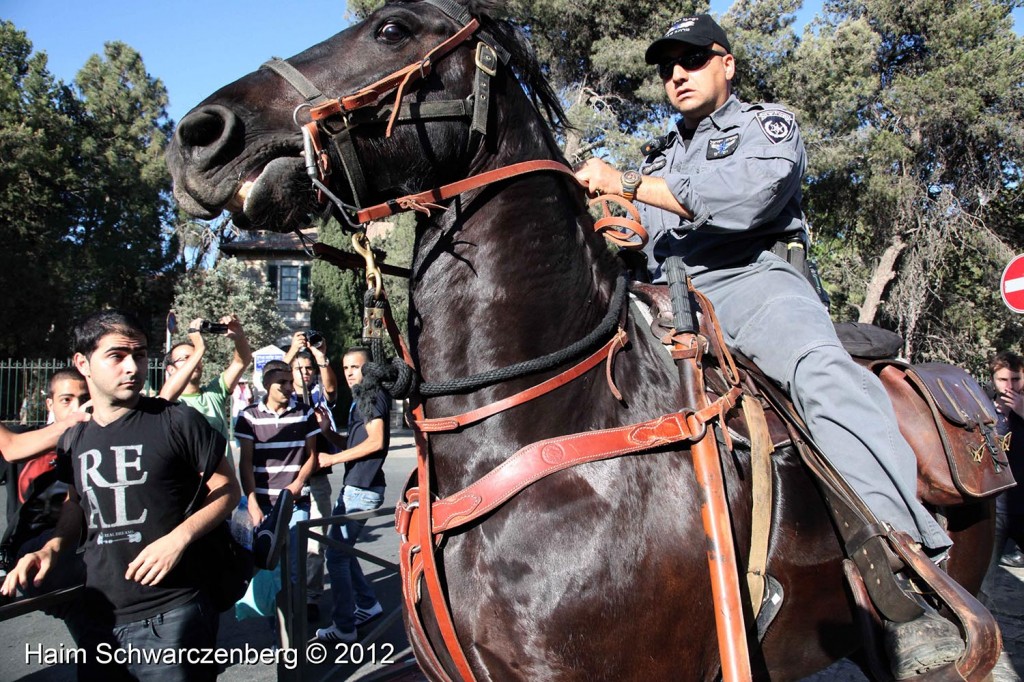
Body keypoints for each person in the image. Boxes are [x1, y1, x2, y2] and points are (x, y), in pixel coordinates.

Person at [574, 14, 962, 678]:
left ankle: (911, 571)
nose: (677, 74)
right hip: (665, 296)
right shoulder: (662, 157)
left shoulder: (766, 127)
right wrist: (623, 227)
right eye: (668, 65)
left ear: (728, 64)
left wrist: (629, 186)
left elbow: (745, 201)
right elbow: (647, 230)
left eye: (693, 59)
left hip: (752, 281)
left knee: (820, 372)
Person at [1, 310, 240, 682]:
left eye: (140, 355)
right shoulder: (73, 438)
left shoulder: (176, 420)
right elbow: (77, 504)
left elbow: (227, 490)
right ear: (83, 363)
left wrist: (179, 538)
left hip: (173, 613)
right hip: (101, 617)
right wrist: (51, 548)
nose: (133, 367)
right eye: (117, 356)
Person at [234, 358, 320, 636]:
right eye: (281, 381)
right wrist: (253, 503)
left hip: (296, 502)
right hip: (264, 505)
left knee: (295, 571)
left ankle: (294, 634)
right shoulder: (248, 416)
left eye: (289, 380)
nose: (288, 386)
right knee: (269, 569)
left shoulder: (305, 413)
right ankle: (278, 633)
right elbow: (245, 463)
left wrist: (298, 483)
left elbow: (313, 456)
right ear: (266, 384)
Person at [315, 347, 390, 644]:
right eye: (345, 367)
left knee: (335, 555)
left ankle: (344, 627)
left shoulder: (371, 396)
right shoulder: (361, 397)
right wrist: (329, 435)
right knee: (343, 551)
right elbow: (355, 440)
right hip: (357, 486)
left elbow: (376, 441)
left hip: (363, 488)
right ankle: (368, 603)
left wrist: (332, 460)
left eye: (355, 367)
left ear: (369, 370)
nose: (348, 372)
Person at [290, 346, 340, 621]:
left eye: (309, 369)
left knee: (316, 541)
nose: (305, 373)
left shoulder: (319, 396)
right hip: (288, 479)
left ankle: (310, 596)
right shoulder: (283, 396)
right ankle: (288, 593)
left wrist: (321, 356)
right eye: (300, 368)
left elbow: (332, 389)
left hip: (318, 478)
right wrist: (291, 353)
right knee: (286, 539)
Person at [161, 314, 253, 443]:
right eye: (186, 358)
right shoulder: (168, 402)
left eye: (197, 358)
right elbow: (165, 398)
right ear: (171, 369)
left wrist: (239, 336)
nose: (195, 361)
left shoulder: (213, 394)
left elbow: (241, 362)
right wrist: (199, 348)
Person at [982, 352, 1024, 585]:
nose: (1010, 386)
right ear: (993, 381)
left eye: (1016, 379)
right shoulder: (983, 409)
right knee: (984, 579)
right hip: (995, 506)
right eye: (1003, 380)